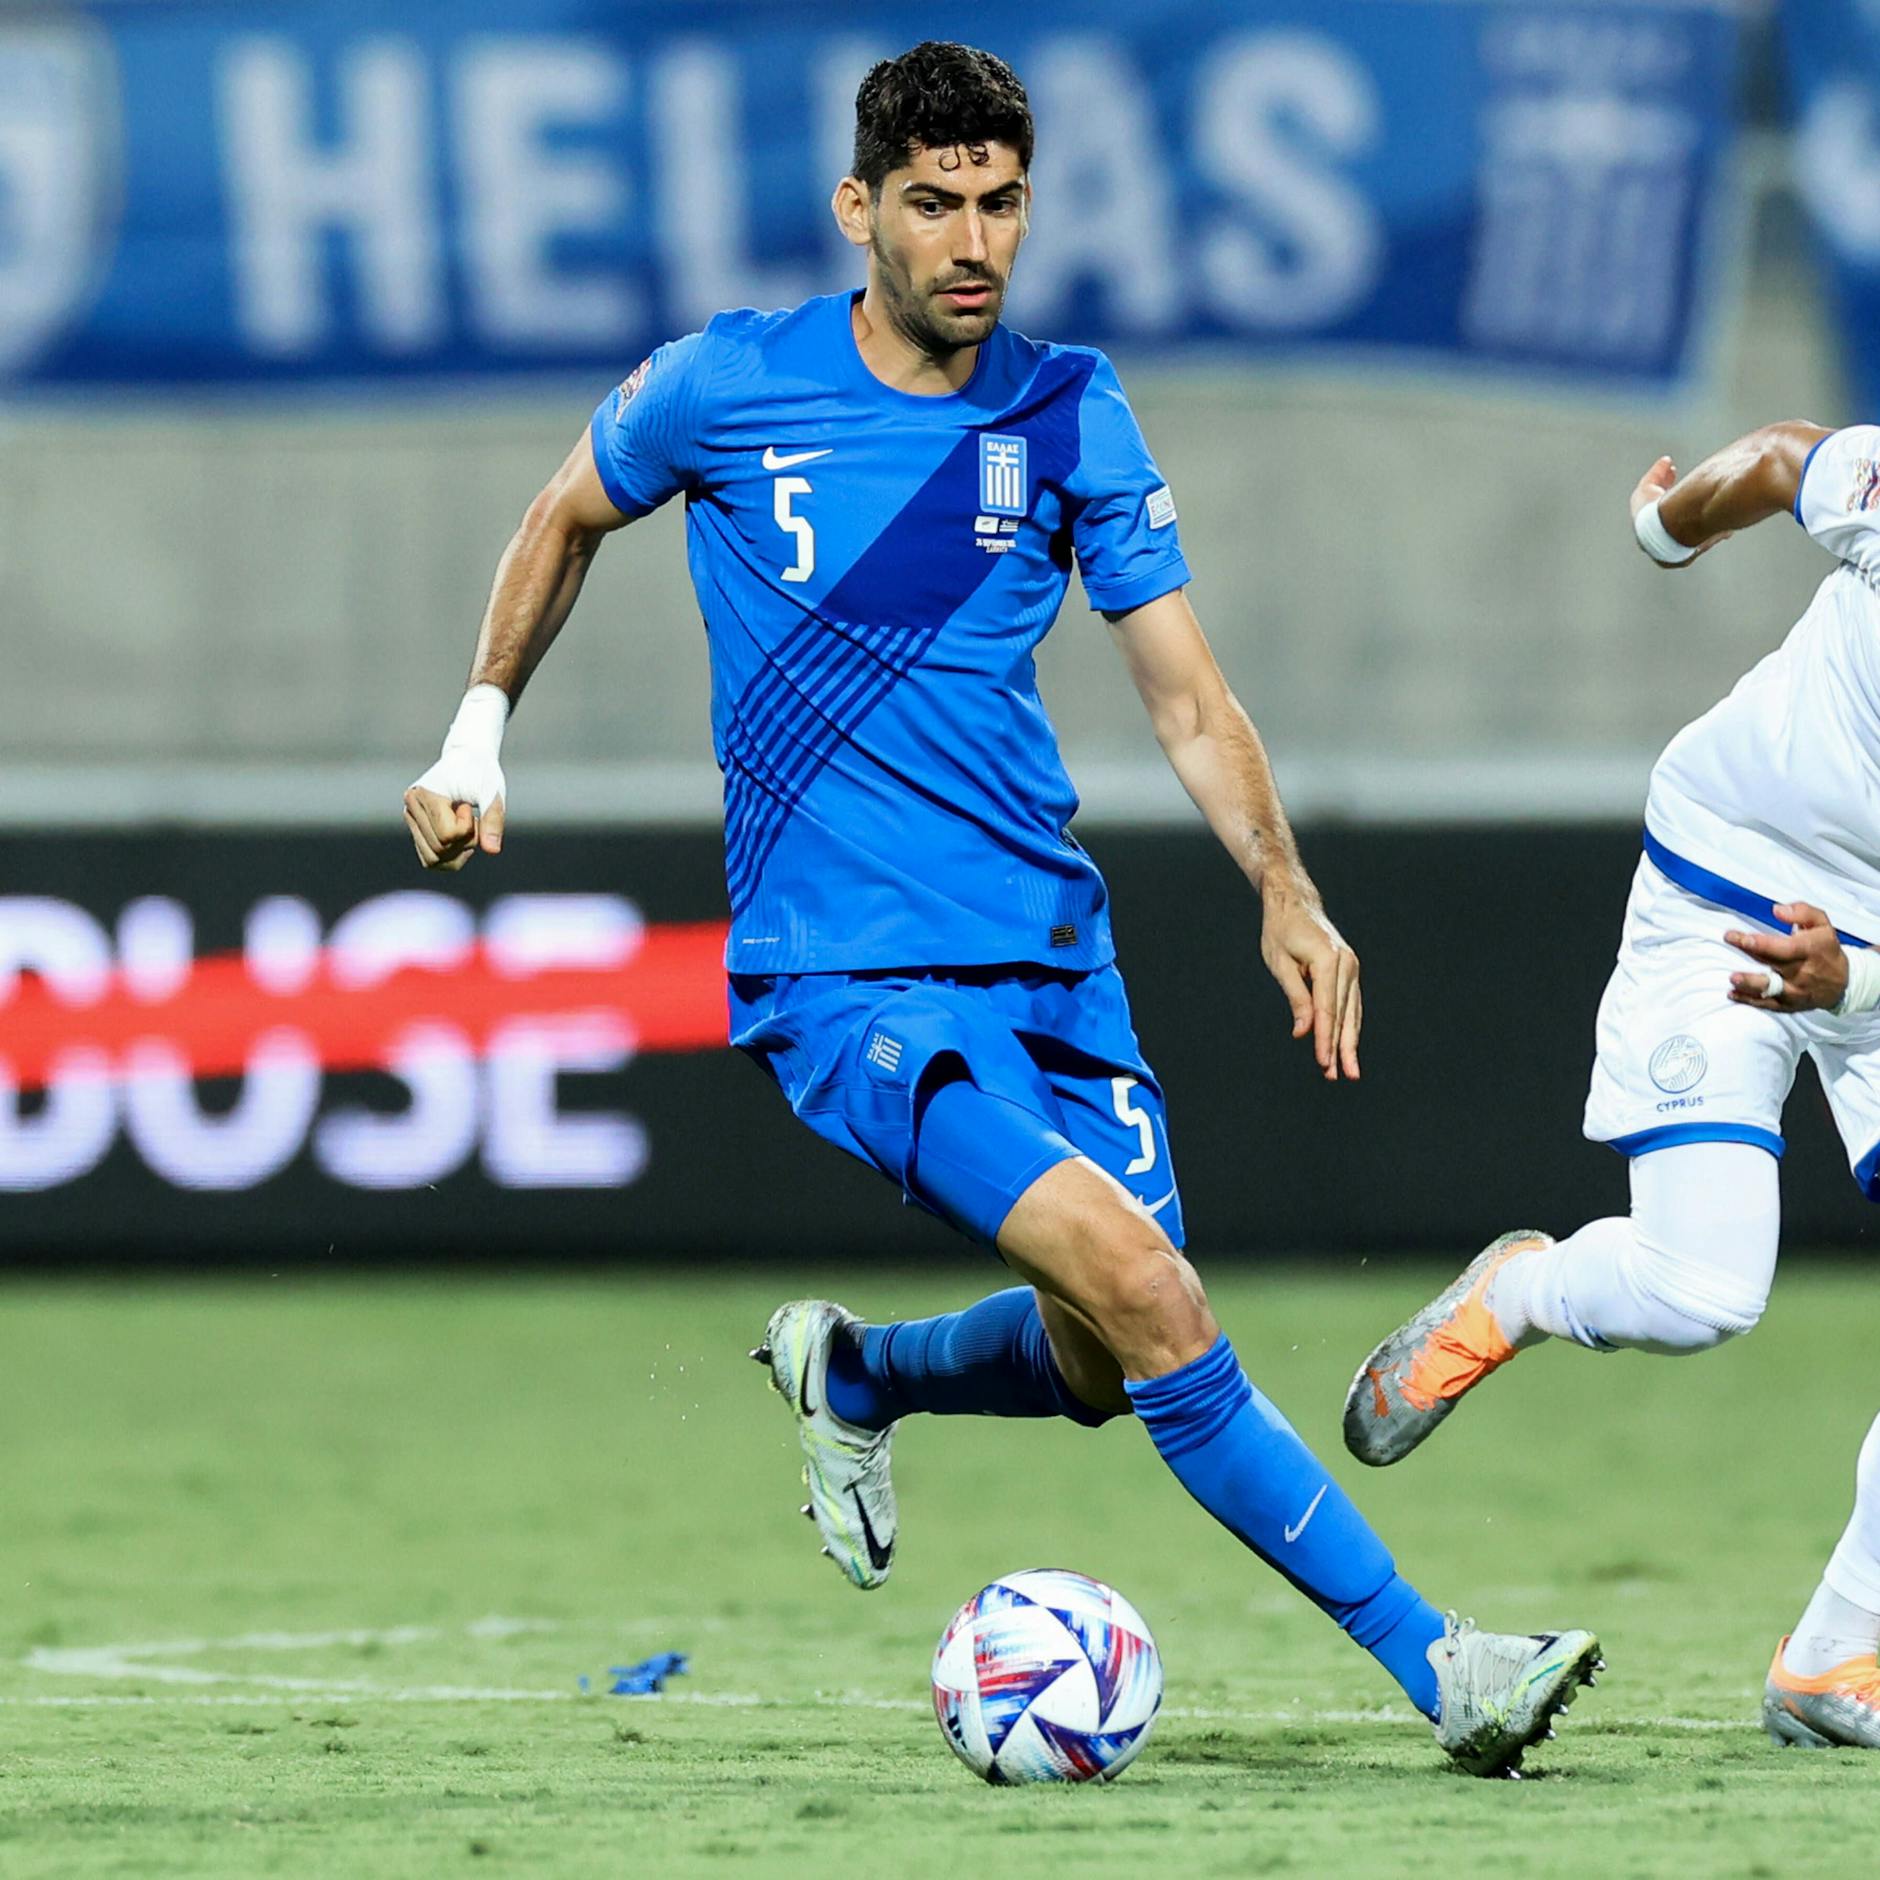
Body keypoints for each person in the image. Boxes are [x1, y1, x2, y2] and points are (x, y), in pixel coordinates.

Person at [403, 39, 1599, 1776]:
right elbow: (562, 513)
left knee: (1108, 1356)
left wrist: (1284, 885)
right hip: (848, 975)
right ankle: (1447, 1666)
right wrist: (474, 735)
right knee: (1160, 1299)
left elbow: (1187, 699)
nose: (975, 240)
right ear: (860, 209)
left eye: (1004, 202)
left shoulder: (1069, 409)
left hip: (1054, 959)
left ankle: (863, 1376)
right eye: (937, 203)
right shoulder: (729, 386)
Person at [1344, 418, 1880, 1751]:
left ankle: (1834, 1663)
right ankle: (1522, 1290)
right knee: (1704, 1295)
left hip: (1869, 969)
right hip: (1728, 884)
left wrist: (1857, 988)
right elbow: (1776, 460)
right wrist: (1666, 526)